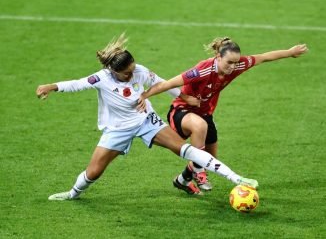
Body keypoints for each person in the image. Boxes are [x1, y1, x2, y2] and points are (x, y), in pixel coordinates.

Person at [36, 34, 258, 201]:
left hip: (145, 121)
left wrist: (184, 97)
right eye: (127, 73)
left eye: (133, 69)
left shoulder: (139, 70)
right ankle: (73, 194)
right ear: (113, 71)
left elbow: (161, 82)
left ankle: (236, 178)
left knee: (184, 149)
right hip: (117, 128)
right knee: (94, 171)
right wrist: (52, 86)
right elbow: (77, 84)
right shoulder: (101, 78)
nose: (133, 74)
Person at [139, 37, 308, 194]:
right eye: (229, 62)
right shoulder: (202, 71)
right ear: (218, 57)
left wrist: (290, 52)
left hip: (205, 113)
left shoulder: (239, 64)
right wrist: (144, 96)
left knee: (210, 158)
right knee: (200, 128)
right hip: (181, 113)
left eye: (235, 62)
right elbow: (168, 84)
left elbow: (264, 57)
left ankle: (182, 180)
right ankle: (199, 172)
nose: (233, 67)